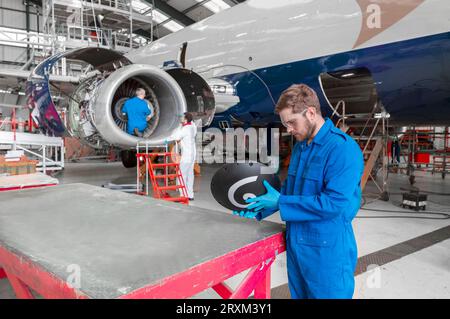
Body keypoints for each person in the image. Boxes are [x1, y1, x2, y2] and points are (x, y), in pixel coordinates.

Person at [234, 84, 364, 299]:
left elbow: (334, 203)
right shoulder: (301, 147)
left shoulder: (342, 149)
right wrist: (259, 209)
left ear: (311, 113)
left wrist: (280, 203)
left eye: (292, 122)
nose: (289, 129)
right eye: (286, 124)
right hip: (297, 245)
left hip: (326, 250)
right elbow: (289, 191)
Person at [173, 112, 197, 200]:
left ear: (186, 119)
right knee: (190, 174)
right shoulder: (192, 126)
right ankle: (190, 195)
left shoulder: (186, 128)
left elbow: (176, 137)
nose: (181, 118)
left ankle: (183, 194)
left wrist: (167, 139)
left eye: (182, 117)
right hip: (192, 154)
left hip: (187, 155)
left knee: (181, 174)